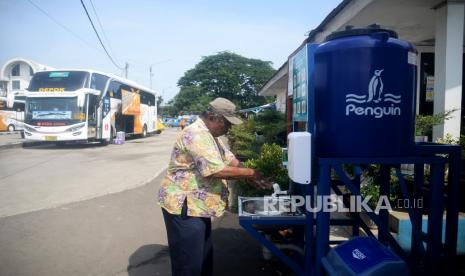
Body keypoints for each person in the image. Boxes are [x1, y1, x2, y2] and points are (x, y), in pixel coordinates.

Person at [158, 97, 271, 276]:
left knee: (203, 257)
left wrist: (245, 171)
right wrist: (250, 174)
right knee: (189, 264)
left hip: (199, 206)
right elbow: (215, 170)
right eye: (227, 124)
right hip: (184, 206)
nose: (229, 128)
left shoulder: (211, 135)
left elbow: (228, 158)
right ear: (213, 117)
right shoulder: (196, 134)